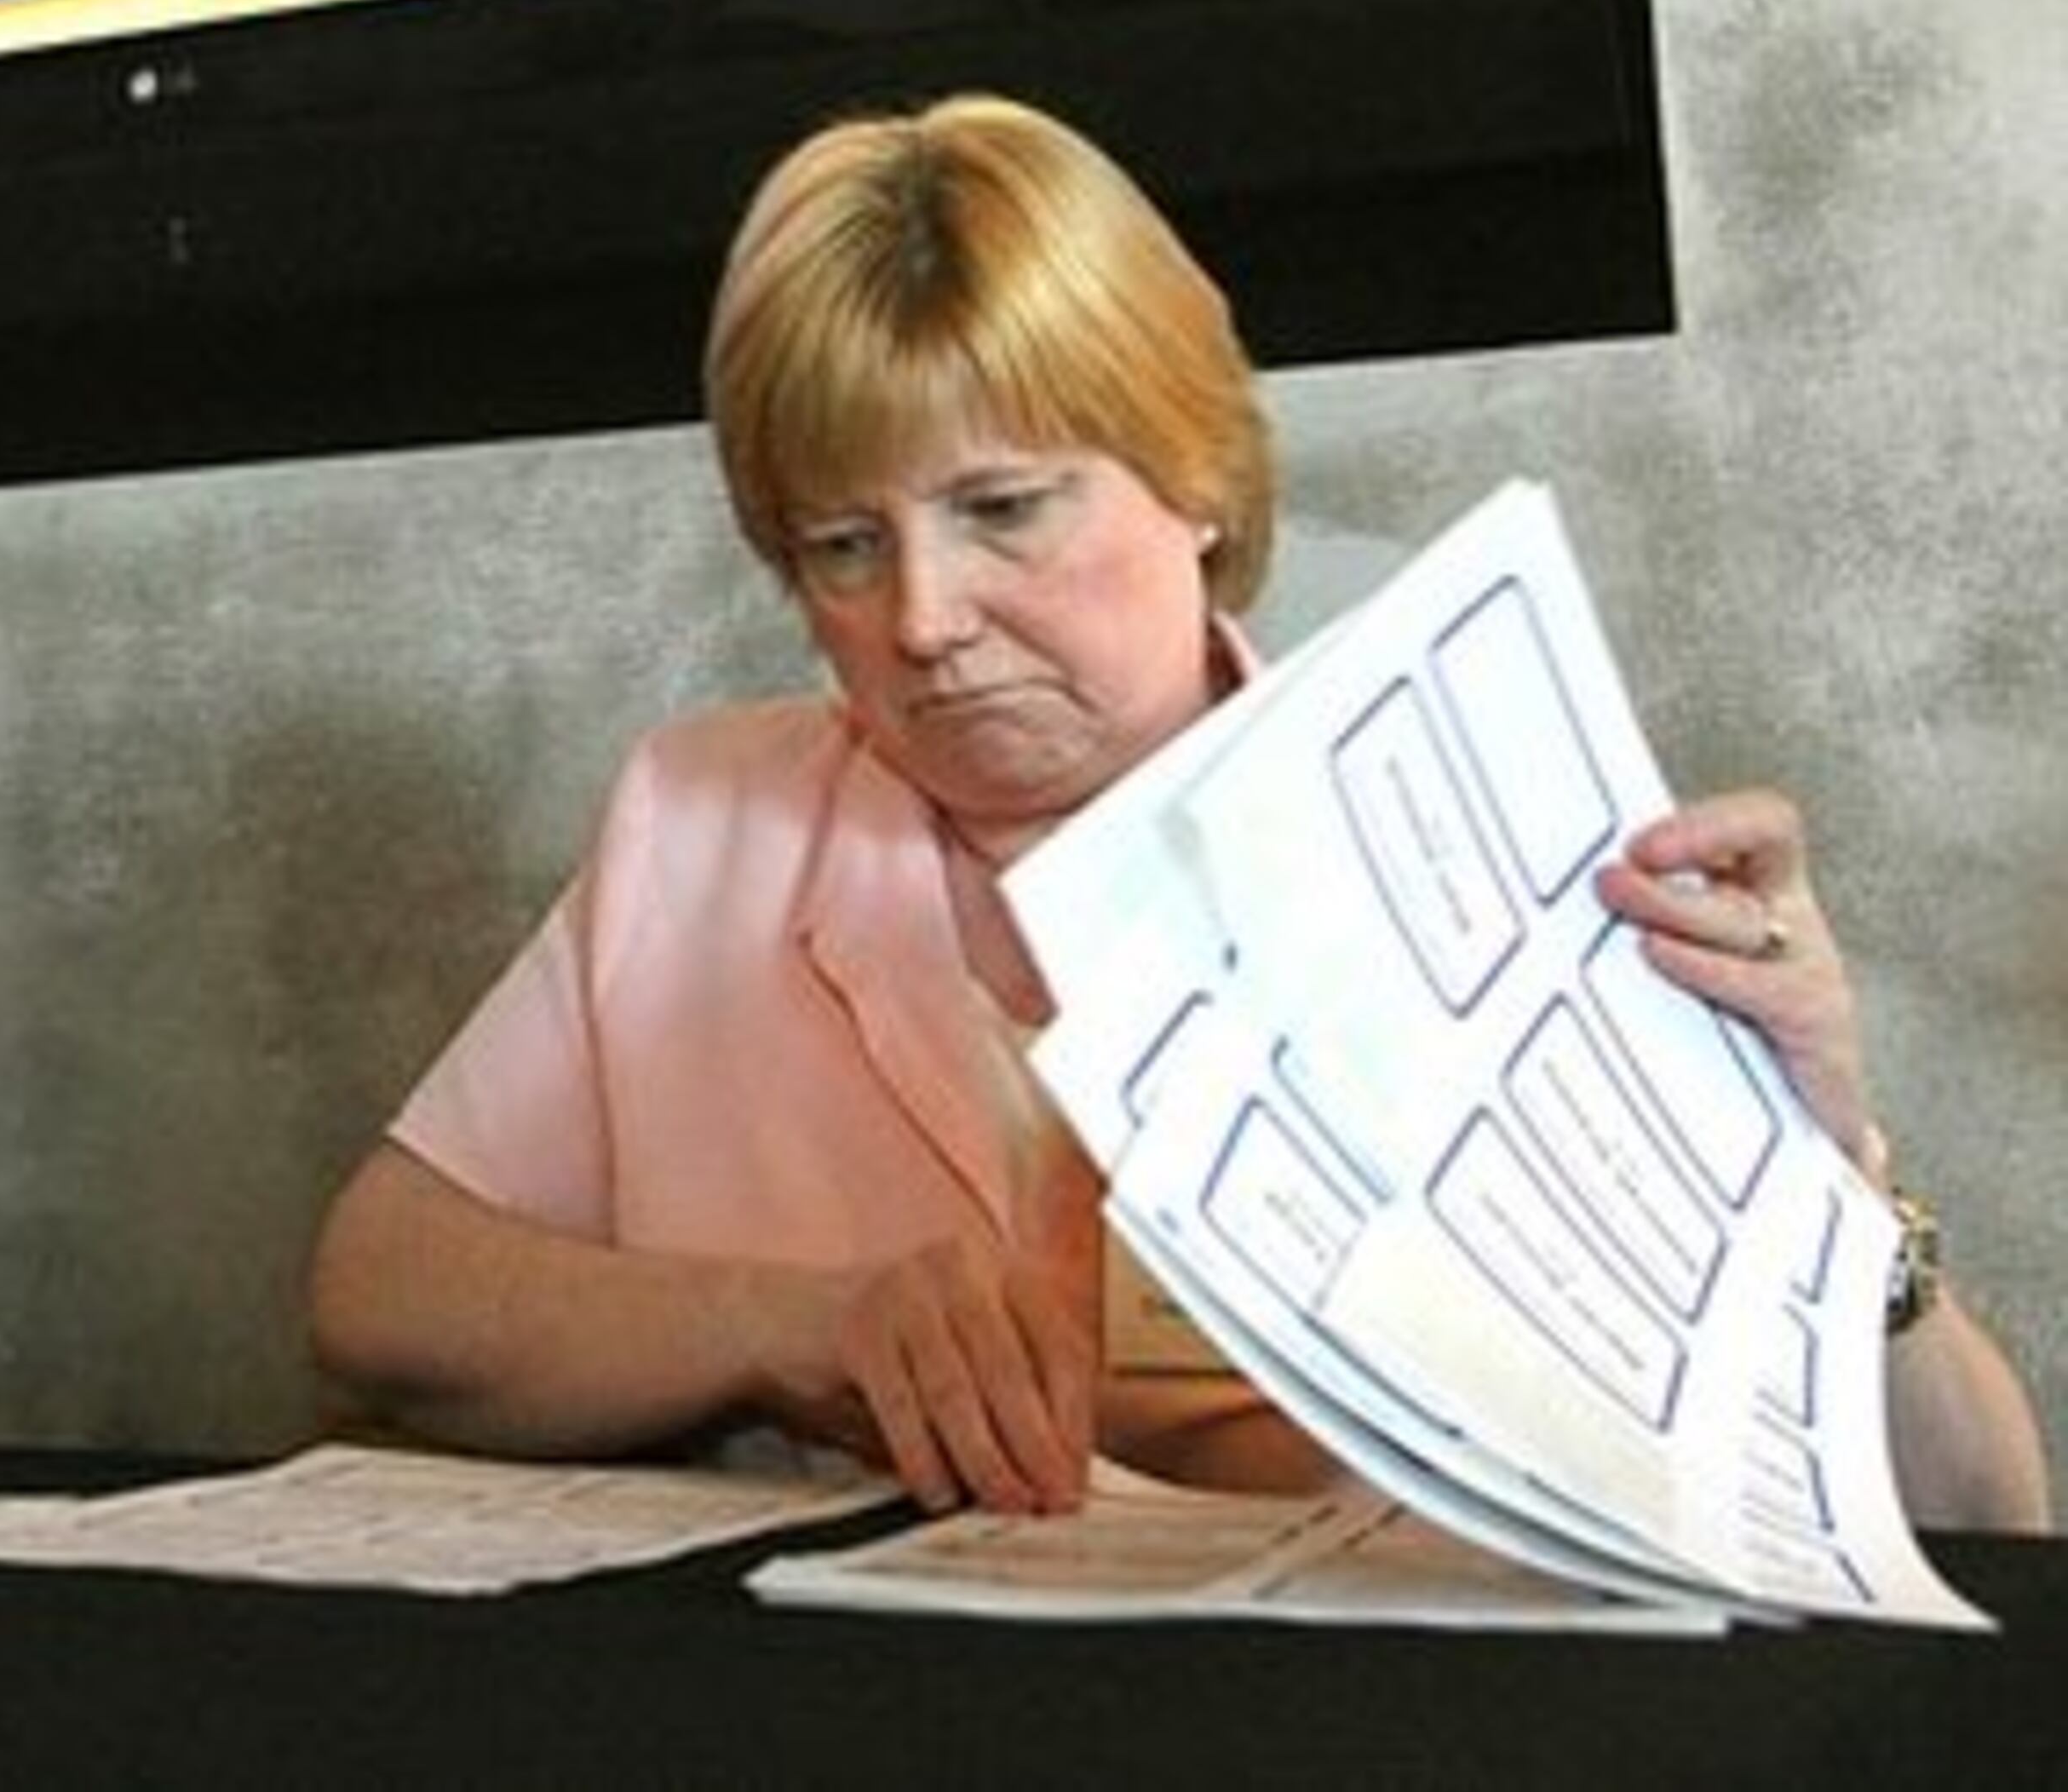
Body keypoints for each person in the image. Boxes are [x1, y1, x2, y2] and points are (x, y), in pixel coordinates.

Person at [308, 95, 2051, 1531]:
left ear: (1195, 477)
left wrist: (1830, 1180)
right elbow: (383, 1290)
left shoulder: (1498, 828)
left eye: (1004, 506)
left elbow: (1986, 1523)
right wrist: (789, 1326)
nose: (919, 618)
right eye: (844, 545)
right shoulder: (702, 815)